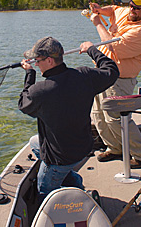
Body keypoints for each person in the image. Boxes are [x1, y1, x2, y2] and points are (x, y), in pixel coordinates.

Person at [18, 36, 119, 201]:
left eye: (38, 60)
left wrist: (30, 73)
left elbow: (23, 103)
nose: (36, 64)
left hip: (60, 158)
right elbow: (112, 70)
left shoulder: (41, 91)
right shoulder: (84, 75)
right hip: (83, 148)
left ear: (49, 61)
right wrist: (92, 50)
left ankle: (79, 197)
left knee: (44, 192)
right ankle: (74, 182)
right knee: (34, 142)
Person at [89, 0, 141, 168]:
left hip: (120, 79)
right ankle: (115, 148)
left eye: (137, 7)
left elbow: (111, 45)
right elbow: (114, 9)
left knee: (116, 118)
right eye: (131, 4)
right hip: (101, 73)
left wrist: (97, 23)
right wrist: (100, 10)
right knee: (99, 116)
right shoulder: (126, 10)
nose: (132, 9)